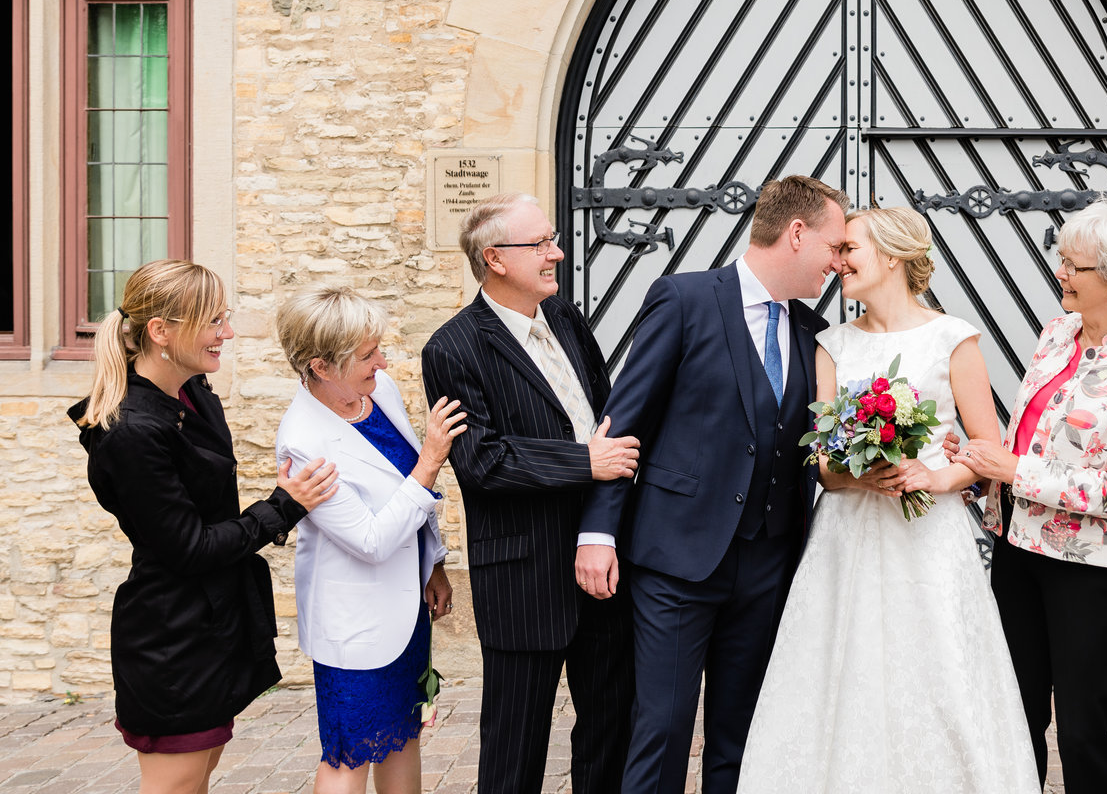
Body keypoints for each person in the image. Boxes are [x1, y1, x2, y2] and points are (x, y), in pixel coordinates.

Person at [735, 206, 1040, 794]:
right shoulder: (832, 345)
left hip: (928, 540)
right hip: (847, 537)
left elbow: (986, 447)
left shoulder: (954, 338)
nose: (838, 260)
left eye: (850, 249)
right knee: (838, 672)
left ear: (894, 256)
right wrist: (861, 475)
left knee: (938, 673)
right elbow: (823, 464)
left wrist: (934, 479)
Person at [577, 174, 850, 794]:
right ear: (797, 233)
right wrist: (597, 531)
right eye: (835, 248)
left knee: (743, 734)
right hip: (676, 558)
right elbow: (624, 422)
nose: (839, 264)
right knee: (663, 728)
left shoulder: (813, 334)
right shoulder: (684, 299)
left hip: (768, 563)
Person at [68, 259, 338, 794]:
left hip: (212, 624)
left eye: (225, 317)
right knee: (177, 785)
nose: (228, 333)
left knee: (199, 776)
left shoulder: (192, 395)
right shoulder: (132, 432)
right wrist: (283, 506)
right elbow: (188, 548)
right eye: (214, 322)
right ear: (161, 332)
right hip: (173, 639)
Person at [960, 196, 1107, 793]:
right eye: (1061, 259)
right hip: (1017, 549)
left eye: (1074, 265)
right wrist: (982, 475)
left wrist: (1011, 470)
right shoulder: (1057, 332)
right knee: (1017, 714)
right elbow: (1028, 434)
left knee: (1083, 728)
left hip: (1092, 567)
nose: (1060, 272)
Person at [421, 193, 638, 794]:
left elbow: (609, 418)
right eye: (540, 244)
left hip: (603, 568)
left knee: (609, 734)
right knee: (514, 752)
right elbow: (481, 461)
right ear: (494, 258)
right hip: (522, 580)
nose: (557, 253)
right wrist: (584, 461)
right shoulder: (451, 348)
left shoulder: (566, 319)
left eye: (553, 240)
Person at [274, 286, 468, 794]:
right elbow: (371, 540)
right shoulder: (304, 443)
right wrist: (431, 458)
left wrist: (435, 564)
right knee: (350, 755)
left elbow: (404, 487)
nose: (381, 363)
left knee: (404, 736)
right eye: (366, 355)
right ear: (320, 366)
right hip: (355, 626)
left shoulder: (378, 392)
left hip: (407, 612)